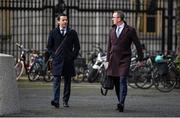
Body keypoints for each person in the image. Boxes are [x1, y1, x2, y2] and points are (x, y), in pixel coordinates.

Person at [106, 10, 143, 112]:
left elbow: (138, 45)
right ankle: (119, 102)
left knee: (122, 80)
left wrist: (140, 59)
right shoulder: (112, 30)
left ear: (119, 18)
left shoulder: (130, 30)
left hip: (124, 59)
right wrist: (107, 61)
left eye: (114, 17)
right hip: (113, 60)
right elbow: (109, 47)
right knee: (117, 82)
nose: (112, 19)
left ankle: (121, 103)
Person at [47, 13, 80, 108]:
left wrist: (72, 56)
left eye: (66, 20)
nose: (65, 21)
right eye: (63, 20)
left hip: (68, 61)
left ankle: (65, 101)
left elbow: (77, 47)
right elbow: (49, 47)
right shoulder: (53, 32)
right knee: (56, 81)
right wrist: (54, 55)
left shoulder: (72, 32)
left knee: (67, 82)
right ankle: (56, 101)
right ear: (58, 21)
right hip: (57, 61)